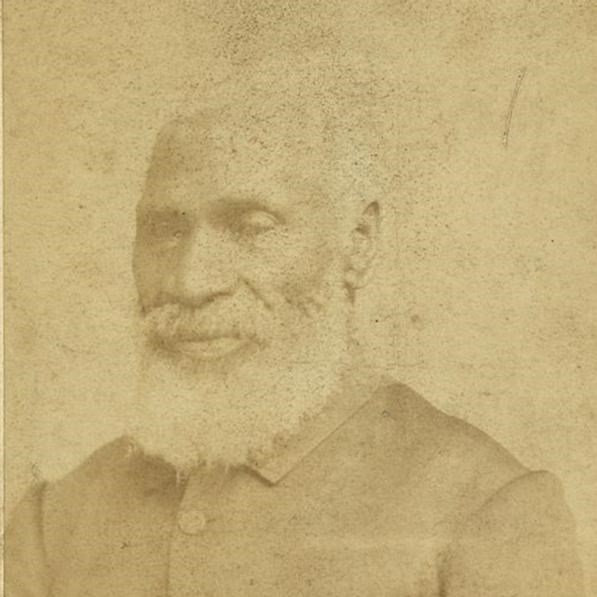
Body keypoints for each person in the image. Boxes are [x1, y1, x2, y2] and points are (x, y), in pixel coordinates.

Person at [5, 53, 585, 596]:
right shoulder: (54, 521)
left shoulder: (485, 507)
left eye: (252, 226)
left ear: (357, 245)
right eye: (166, 230)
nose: (190, 281)